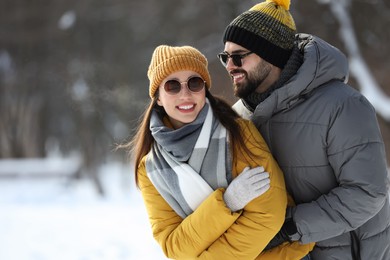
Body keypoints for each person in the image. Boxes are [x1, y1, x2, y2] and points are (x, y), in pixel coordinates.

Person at [218, 0, 390, 259]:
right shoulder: (239, 117)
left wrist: (290, 226)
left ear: (271, 53)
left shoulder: (342, 106)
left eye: (238, 56)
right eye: (225, 57)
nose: (230, 66)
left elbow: (367, 192)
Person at [125, 44, 314, 259]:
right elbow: (174, 247)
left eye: (194, 83)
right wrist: (227, 204)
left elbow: (268, 215)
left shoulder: (238, 133)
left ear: (204, 89)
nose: (185, 94)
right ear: (158, 97)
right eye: (172, 86)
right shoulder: (149, 169)